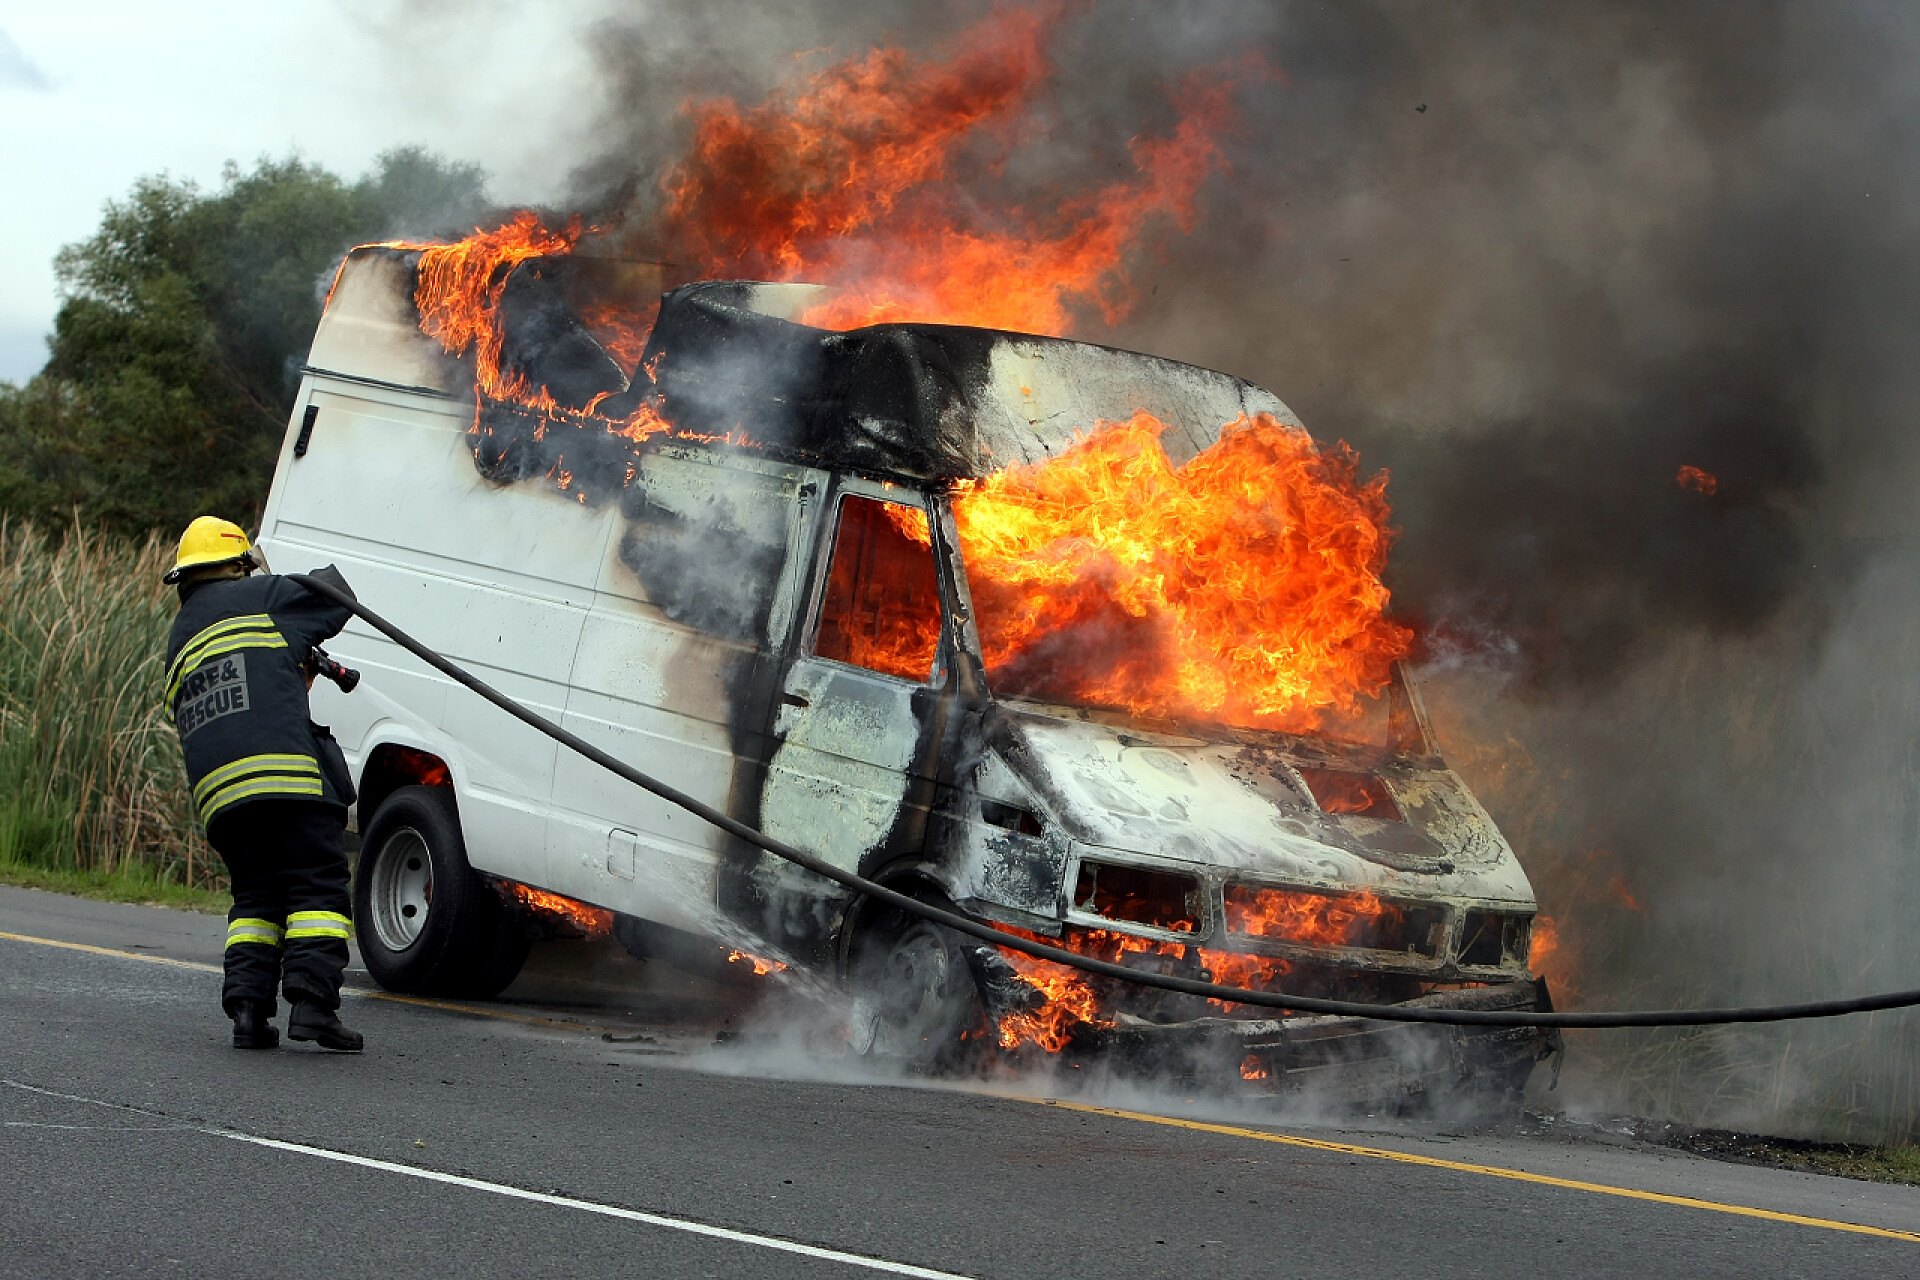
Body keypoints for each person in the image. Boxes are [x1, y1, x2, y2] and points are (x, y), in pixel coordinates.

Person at [162, 516, 365, 1052]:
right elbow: (335, 594)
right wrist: (272, 576)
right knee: (317, 884)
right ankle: (313, 1007)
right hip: (284, 779)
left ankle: (249, 1015)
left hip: (221, 800)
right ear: (237, 565)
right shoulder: (263, 596)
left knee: (256, 896)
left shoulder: (179, 637)